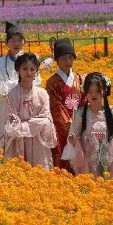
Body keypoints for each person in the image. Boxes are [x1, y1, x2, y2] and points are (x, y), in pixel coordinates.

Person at [0, 53, 57, 170]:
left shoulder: (42, 93)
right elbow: (9, 121)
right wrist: (21, 126)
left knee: (39, 173)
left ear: (36, 72)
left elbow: (45, 119)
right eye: (24, 69)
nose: (28, 72)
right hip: (18, 140)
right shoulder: (11, 95)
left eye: (32, 69)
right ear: (18, 70)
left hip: (38, 140)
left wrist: (23, 126)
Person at [67, 73, 113, 178]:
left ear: (104, 91)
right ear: (85, 93)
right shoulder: (80, 114)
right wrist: (74, 141)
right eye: (89, 91)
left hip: (110, 164)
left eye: (97, 91)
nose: (93, 95)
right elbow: (74, 136)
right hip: (88, 165)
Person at [45, 38, 83, 172]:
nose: (68, 62)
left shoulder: (78, 78)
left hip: (79, 123)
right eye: (64, 58)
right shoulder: (52, 82)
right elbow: (56, 106)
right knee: (62, 153)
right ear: (57, 60)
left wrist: (82, 119)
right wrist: (69, 124)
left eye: (70, 58)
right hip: (61, 126)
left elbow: (84, 100)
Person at [0, 22, 41, 111]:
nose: (16, 44)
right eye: (13, 41)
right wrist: (21, 84)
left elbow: (36, 82)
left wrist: (10, 84)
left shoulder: (32, 61)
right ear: (6, 43)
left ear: (24, 42)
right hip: (7, 105)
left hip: (28, 103)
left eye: (19, 40)